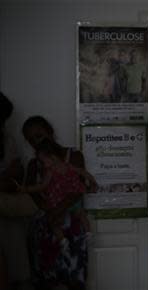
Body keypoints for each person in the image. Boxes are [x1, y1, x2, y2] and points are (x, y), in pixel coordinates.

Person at [22, 115, 91, 290]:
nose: (35, 142)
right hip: (45, 227)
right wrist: (48, 209)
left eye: (38, 136)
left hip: (70, 227)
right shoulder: (33, 164)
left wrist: (56, 210)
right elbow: (33, 194)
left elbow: (78, 190)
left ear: (50, 132)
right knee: (47, 278)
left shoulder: (73, 156)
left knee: (74, 276)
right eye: (30, 140)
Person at [18, 138, 94, 243]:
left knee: (77, 216)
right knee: (59, 221)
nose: (43, 164)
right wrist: (27, 189)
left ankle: (83, 234)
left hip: (66, 199)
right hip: (61, 201)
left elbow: (42, 186)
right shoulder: (58, 169)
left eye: (43, 161)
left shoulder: (61, 168)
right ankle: (67, 238)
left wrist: (92, 181)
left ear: (52, 157)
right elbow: (42, 186)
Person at [0, 92, 31, 290]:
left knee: (16, 269)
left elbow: (17, 176)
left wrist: (9, 179)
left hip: (8, 214)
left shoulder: (7, 139)